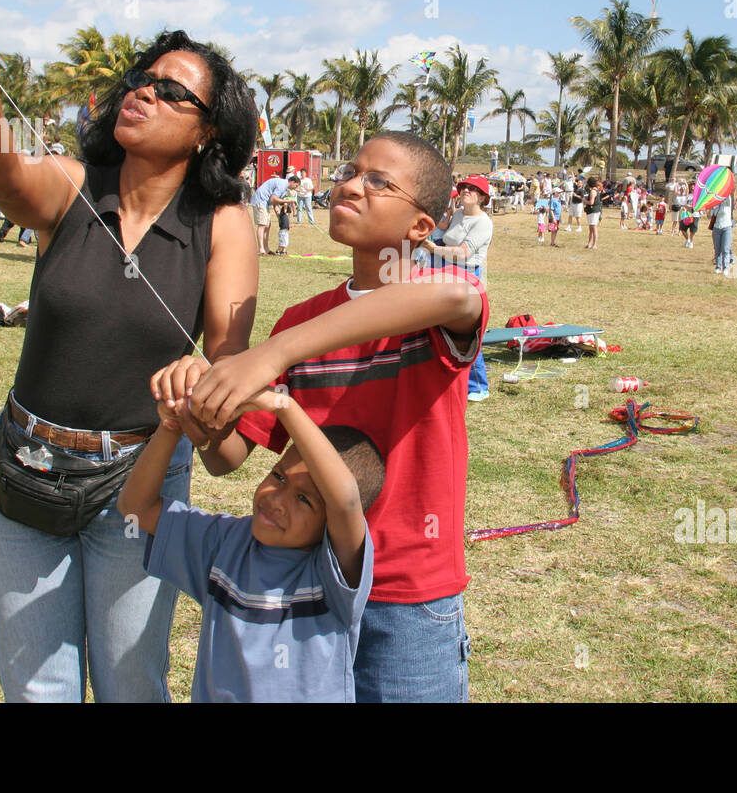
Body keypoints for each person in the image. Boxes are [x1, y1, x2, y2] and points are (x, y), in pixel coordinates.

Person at [0, 0, 259, 702]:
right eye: (142, 79)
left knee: (132, 682)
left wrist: (204, 396)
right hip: (23, 472)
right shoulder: (73, 185)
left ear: (208, 134)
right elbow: (0, 175)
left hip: (135, 486)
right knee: (38, 687)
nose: (143, 92)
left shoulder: (222, 223)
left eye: (173, 92)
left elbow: (227, 391)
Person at [156, 130, 489, 703]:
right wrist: (199, 414)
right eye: (349, 172)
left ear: (421, 228)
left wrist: (274, 353)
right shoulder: (303, 321)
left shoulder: (441, 299)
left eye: (380, 182)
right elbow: (227, 457)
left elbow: (460, 300)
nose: (351, 185)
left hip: (406, 596)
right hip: (307, 583)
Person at [117, 386, 379, 702]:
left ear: (330, 522)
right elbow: (137, 509)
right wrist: (171, 429)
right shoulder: (223, 542)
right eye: (278, 476)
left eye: (303, 499)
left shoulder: (334, 575)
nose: (277, 500)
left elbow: (346, 499)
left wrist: (285, 407)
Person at [422, 174, 493, 400]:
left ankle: (479, 387)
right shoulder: (459, 214)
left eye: (472, 189)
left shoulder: (483, 222)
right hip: (443, 271)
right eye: (463, 187)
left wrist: (434, 249)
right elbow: (447, 238)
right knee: (438, 327)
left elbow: (463, 253)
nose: (465, 191)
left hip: (466, 276)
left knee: (465, 333)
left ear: (482, 197)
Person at [251, 173, 299, 256]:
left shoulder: (284, 188)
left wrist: (281, 219)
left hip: (265, 203)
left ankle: (266, 249)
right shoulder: (282, 185)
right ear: (292, 182)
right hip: (260, 201)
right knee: (262, 225)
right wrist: (288, 201)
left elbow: (275, 203)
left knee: (267, 225)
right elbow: (273, 199)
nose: (296, 188)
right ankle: (261, 249)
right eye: (296, 185)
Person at [710, 193, 734, 276]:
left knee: (725, 249)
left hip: (727, 228)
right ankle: (718, 267)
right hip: (717, 228)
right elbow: (710, 216)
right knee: (717, 249)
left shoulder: (727, 202)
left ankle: (726, 267)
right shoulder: (715, 205)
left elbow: (728, 193)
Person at [584, 177, 602, 249]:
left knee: (594, 228)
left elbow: (591, 202)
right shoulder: (595, 190)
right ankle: (589, 243)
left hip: (593, 211)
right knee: (591, 228)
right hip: (592, 211)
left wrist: (584, 200)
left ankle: (594, 244)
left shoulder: (593, 191)